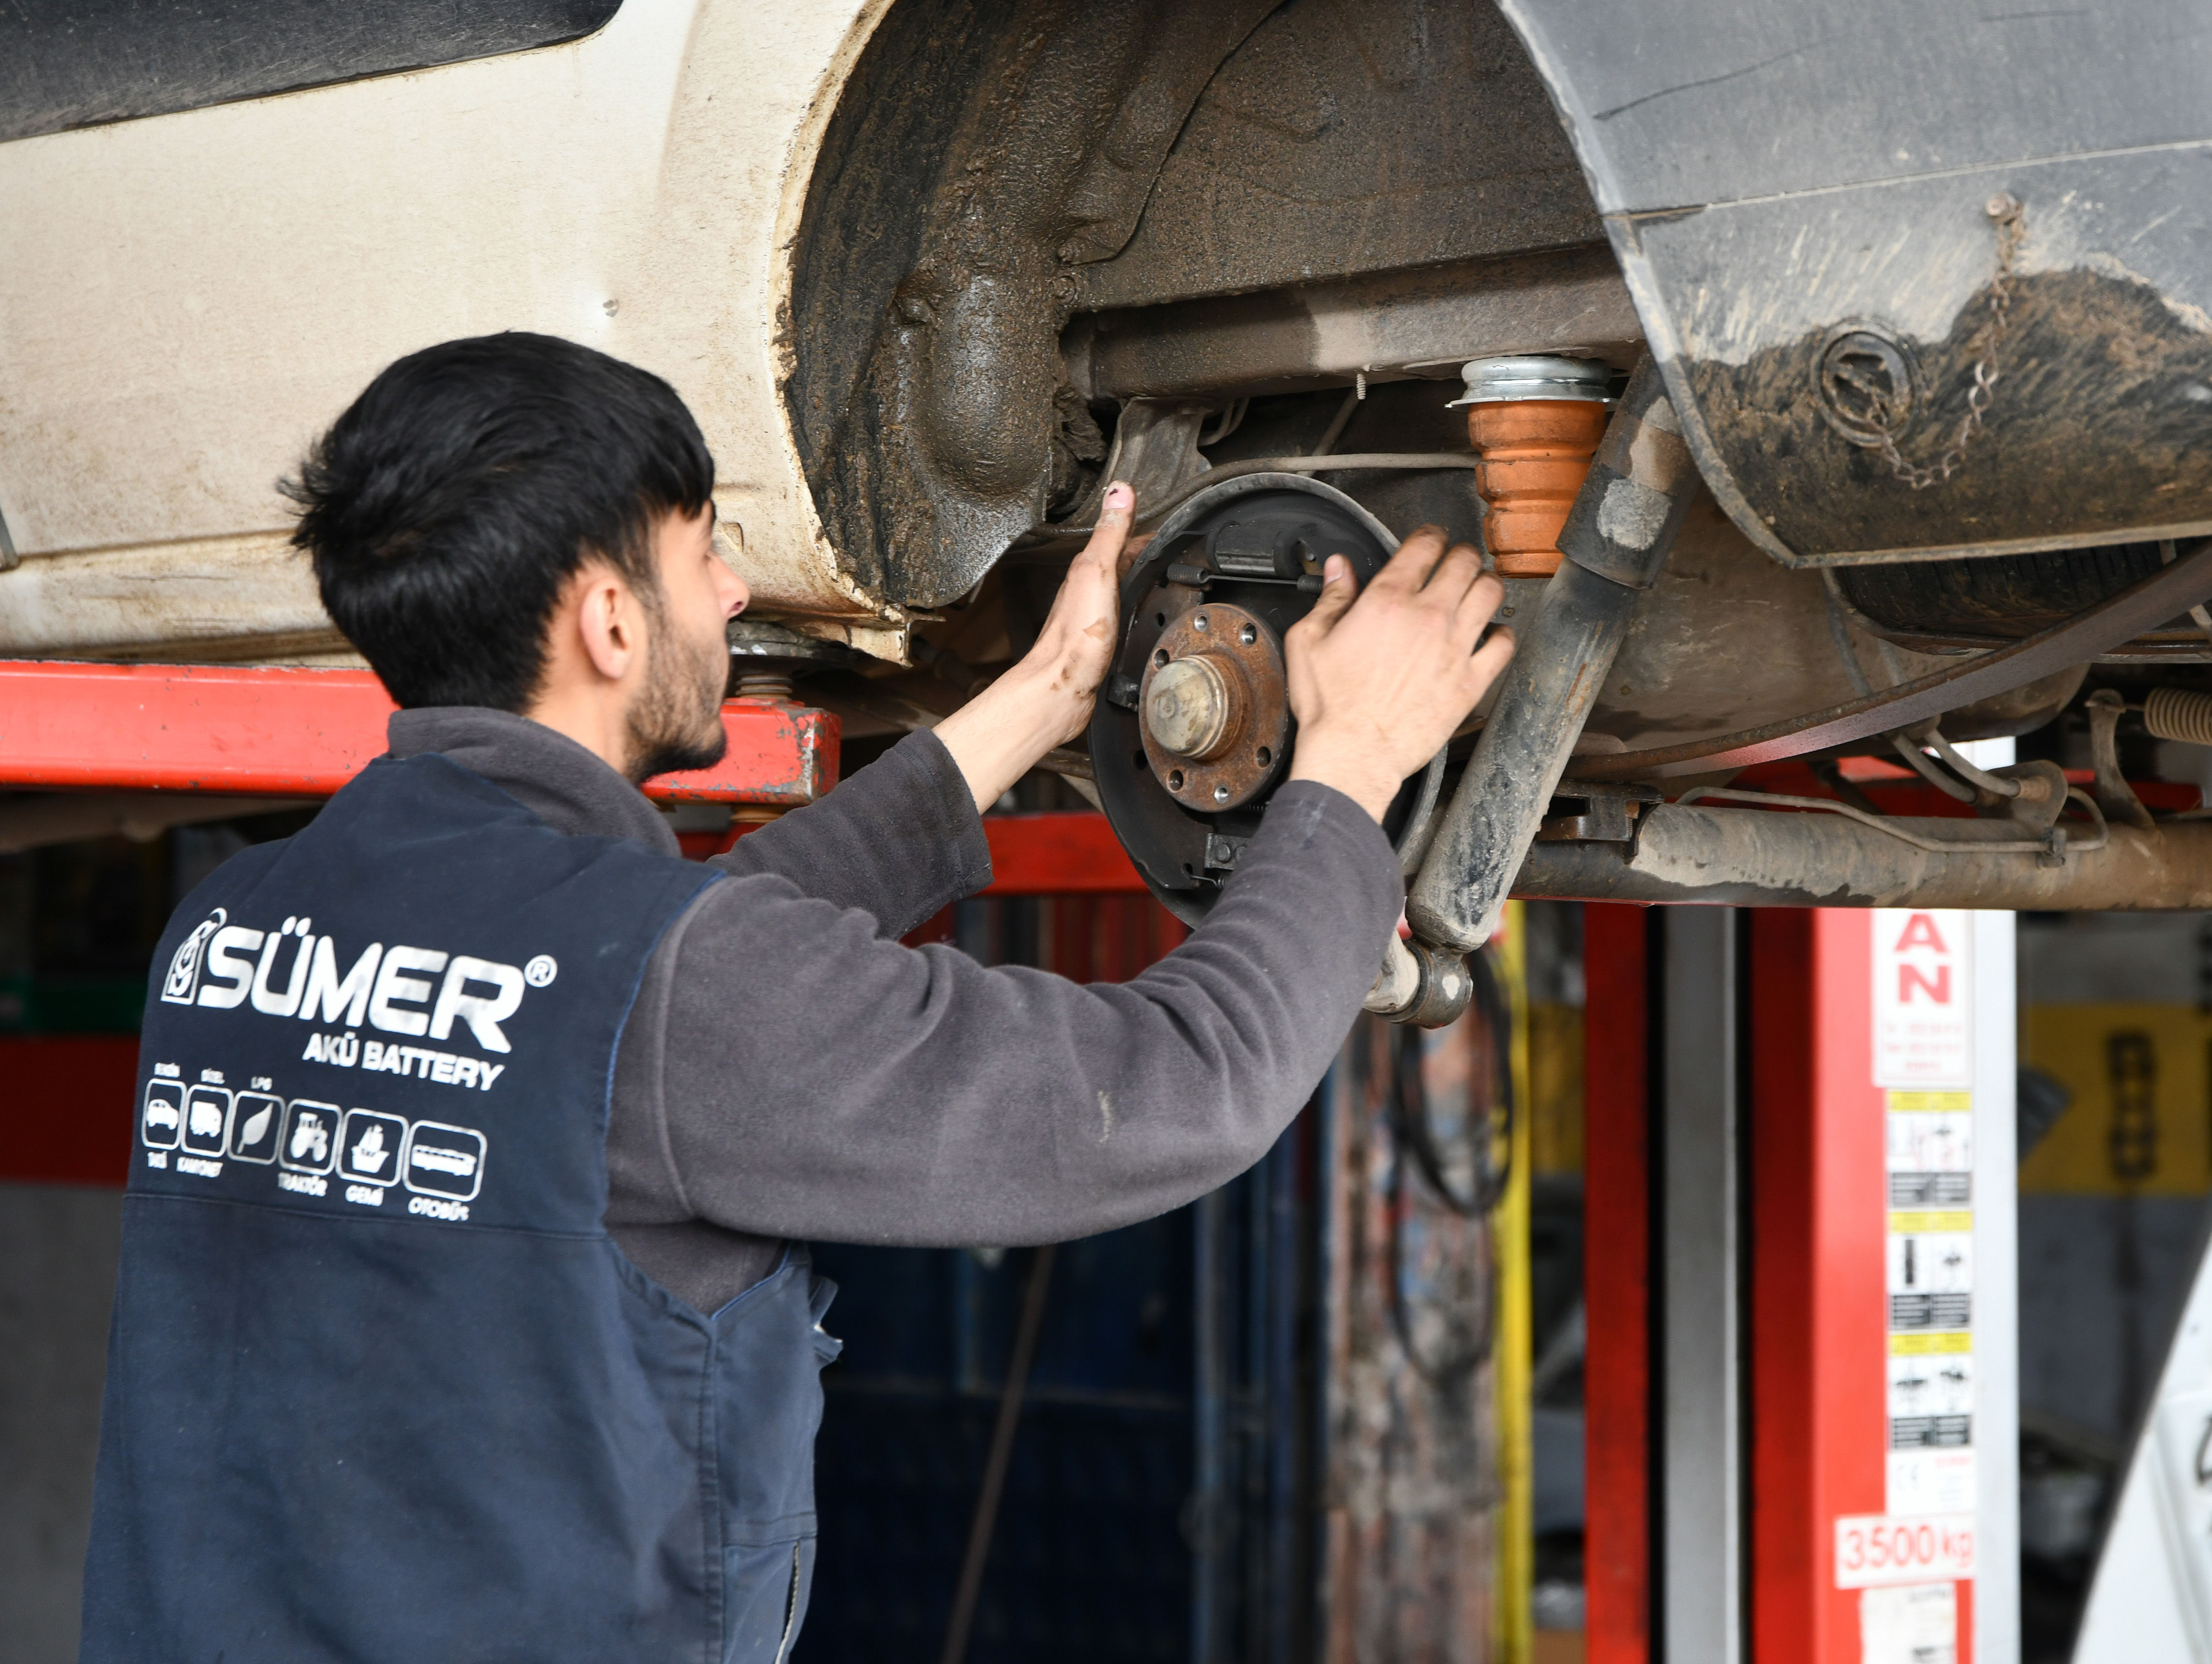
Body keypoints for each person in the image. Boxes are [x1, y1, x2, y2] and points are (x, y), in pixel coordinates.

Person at [80, 332, 1512, 1661]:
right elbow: (1173, 1088)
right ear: (607, 624)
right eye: (701, 554)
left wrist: (1030, 705)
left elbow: (649, 977)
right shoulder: (663, 989)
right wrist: (1349, 772)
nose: (732, 593)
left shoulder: (229, 930)